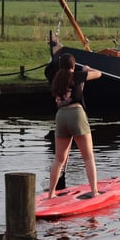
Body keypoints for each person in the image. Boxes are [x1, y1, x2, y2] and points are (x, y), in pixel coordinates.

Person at [47, 52, 103, 198]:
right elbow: (99, 74)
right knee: (88, 157)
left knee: (59, 159)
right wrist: (86, 69)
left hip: (61, 117)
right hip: (76, 115)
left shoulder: (56, 80)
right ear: (73, 66)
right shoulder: (77, 76)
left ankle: (51, 194)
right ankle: (95, 192)